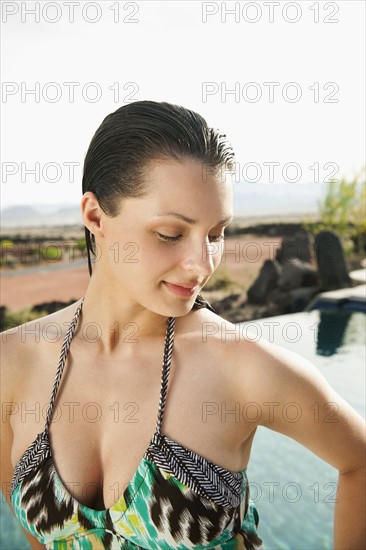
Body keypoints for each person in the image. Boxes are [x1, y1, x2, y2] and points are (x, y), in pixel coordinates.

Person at [1, 100, 365, 550]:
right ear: (95, 216)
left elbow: (360, 462)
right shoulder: (12, 363)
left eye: (216, 234)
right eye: (170, 234)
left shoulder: (243, 368)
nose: (201, 265)